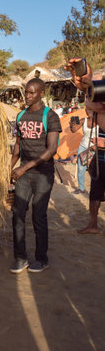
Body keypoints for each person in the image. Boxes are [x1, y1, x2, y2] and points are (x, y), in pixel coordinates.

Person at [10, 78, 62, 273]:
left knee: (38, 216)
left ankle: (41, 258)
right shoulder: (20, 116)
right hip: (24, 173)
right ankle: (20, 258)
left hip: (43, 174)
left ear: (41, 93)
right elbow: (17, 145)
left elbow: (51, 150)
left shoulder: (51, 116)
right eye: (26, 92)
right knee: (17, 214)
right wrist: (10, 168)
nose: (28, 96)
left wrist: (24, 168)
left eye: (32, 92)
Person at [66, 58, 105, 234]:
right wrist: (84, 81)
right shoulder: (84, 116)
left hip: (93, 148)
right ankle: (92, 223)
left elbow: (95, 99)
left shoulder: (96, 110)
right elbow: (73, 129)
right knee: (87, 176)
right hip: (91, 150)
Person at [70, 108, 98, 195]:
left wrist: (97, 145)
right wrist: (72, 124)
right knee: (81, 168)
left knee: (93, 169)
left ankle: (94, 190)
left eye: (91, 111)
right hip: (83, 147)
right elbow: (74, 130)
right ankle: (81, 188)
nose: (89, 112)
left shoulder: (100, 122)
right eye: (88, 111)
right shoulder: (83, 120)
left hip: (95, 148)